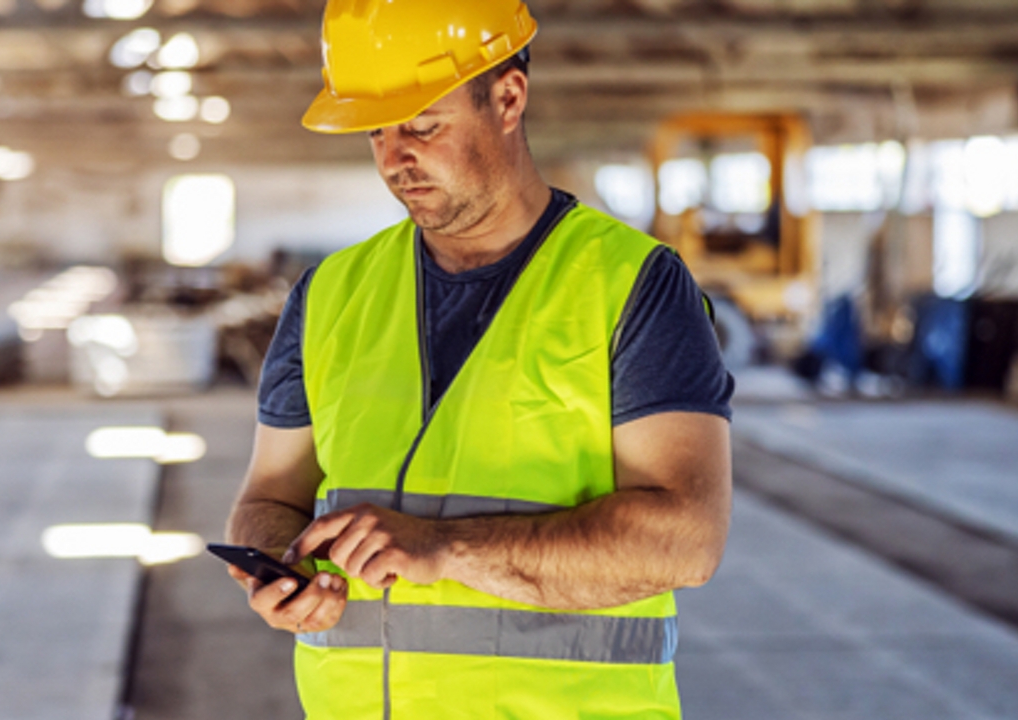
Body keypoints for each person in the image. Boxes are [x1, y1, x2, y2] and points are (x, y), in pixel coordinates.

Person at [225, 1, 734, 717]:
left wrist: (446, 549)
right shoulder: (331, 294)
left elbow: (686, 541)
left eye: (423, 126)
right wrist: (281, 571)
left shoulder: (630, 284)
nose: (394, 157)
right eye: (375, 130)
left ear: (507, 98)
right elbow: (268, 501)